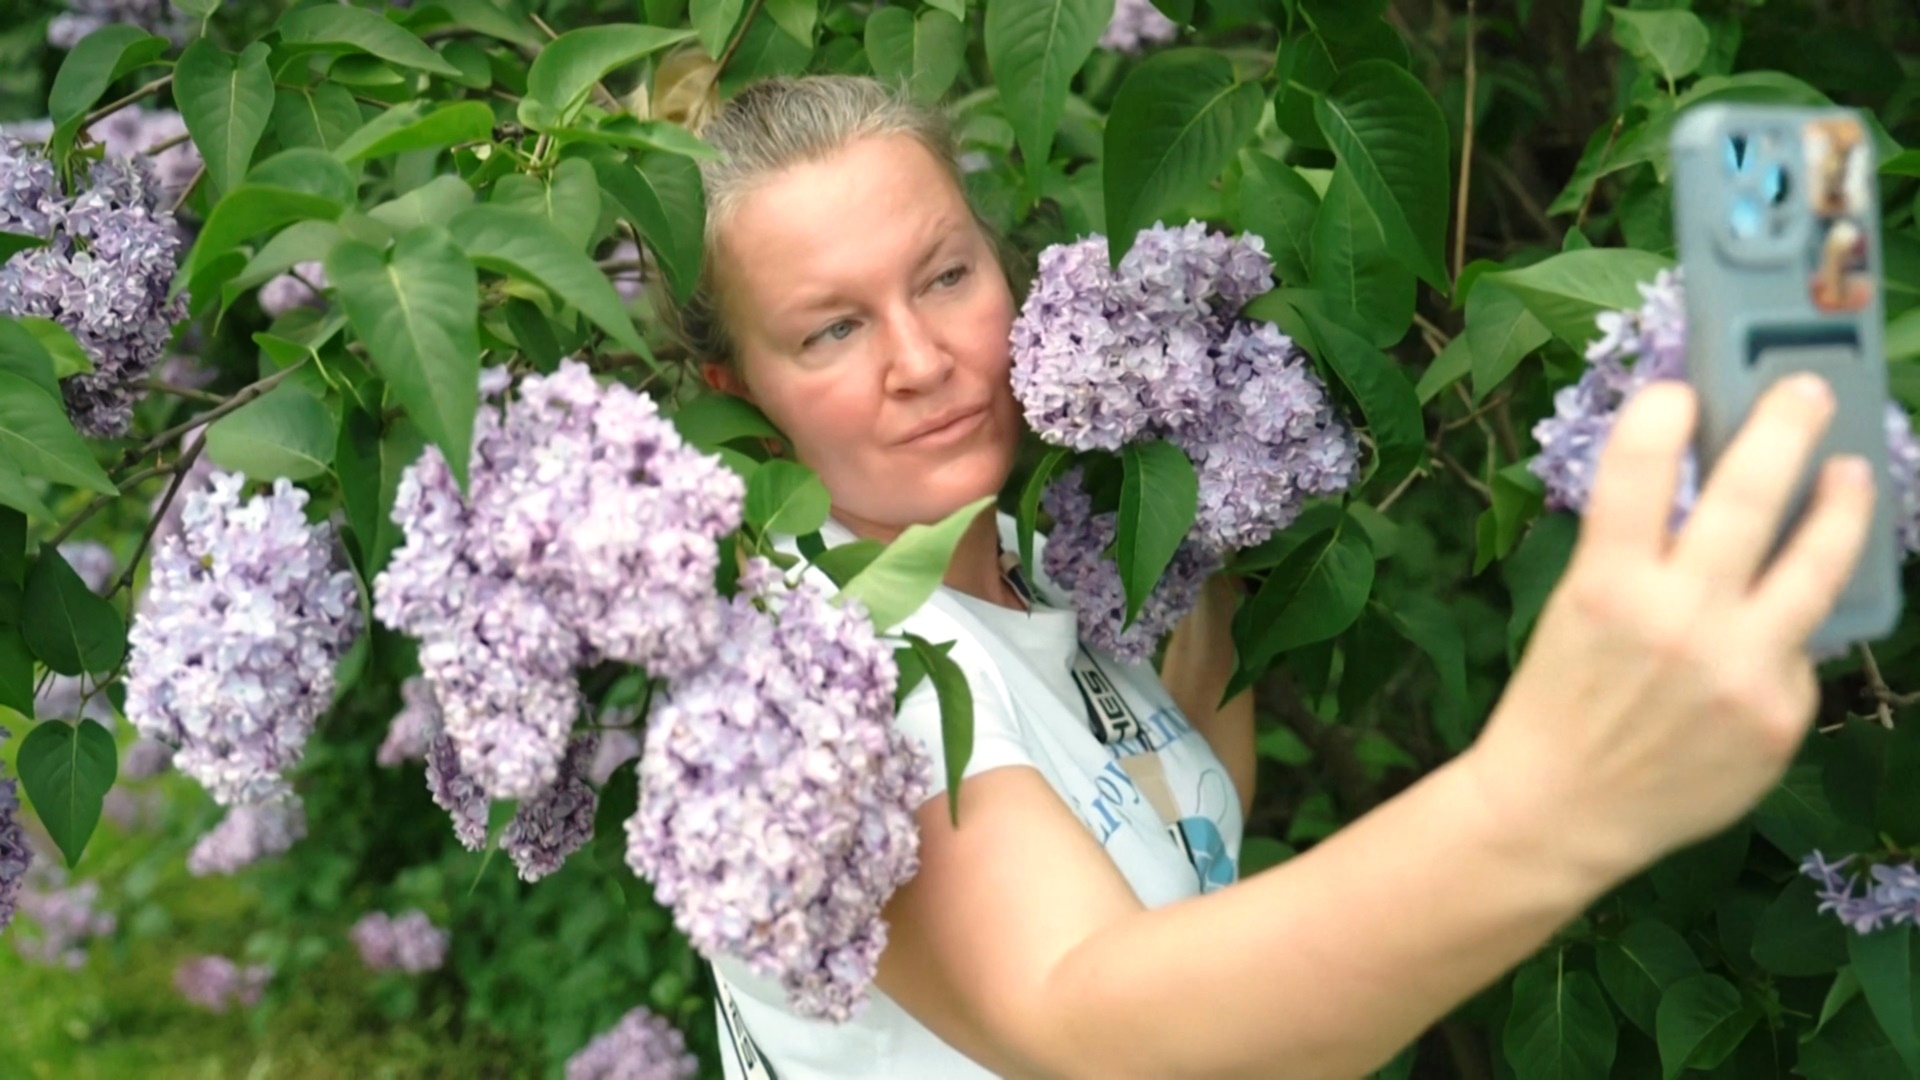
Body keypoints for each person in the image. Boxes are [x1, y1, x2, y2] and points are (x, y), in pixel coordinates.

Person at [666, 74, 1878, 1079]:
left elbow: (1178, 817)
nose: (922, 359)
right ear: (741, 396)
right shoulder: (818, 681)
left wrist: (1218, 524)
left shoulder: (1046, 571)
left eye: (943, 276)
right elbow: (1081, 1015)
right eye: (832, 329)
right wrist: (1555, 795)